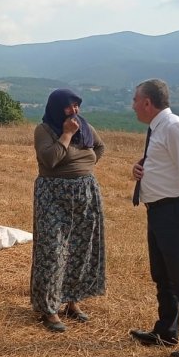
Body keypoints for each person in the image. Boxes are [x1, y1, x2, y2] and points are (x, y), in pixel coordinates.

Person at [128, 78, 179, 357]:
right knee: (163, 276)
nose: (133, 105)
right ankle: (166, 331)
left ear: (148, 103)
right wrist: (141, 170)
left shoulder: (175, 127)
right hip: (158, 211)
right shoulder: (158, 128)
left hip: (174, 212)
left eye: (135, 100)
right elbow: (167, 166)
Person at [30, 88, 106, 333]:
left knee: (80, 249)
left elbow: (100, 147)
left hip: (85, 193)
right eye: (68, 106)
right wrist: (66, 135)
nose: (74, 111)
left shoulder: (84, 126)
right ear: (56, 108)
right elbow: (49, 159)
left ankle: (73, 303)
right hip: (53, 195)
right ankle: (48, 310)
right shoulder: (44, 130)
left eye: (76, 106)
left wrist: (85, 164)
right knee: (52, 251)